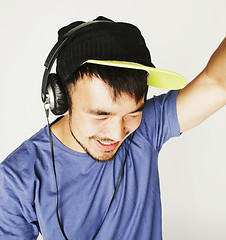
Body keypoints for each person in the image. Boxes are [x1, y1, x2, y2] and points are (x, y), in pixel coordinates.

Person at [0, 16, 225, 240]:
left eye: (132, 113)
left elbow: (217, 83)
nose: (117, 134)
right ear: (61, 101)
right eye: (101, 115)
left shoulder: (147, 127)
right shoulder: (17, 178)